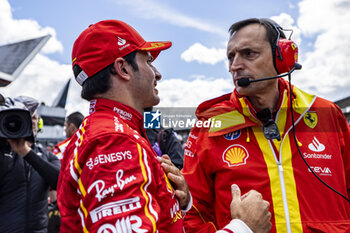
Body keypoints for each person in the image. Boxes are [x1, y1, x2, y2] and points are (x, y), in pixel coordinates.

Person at [57, 19, 271, 233]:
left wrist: (178, 204)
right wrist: (244, 227)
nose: (157, 73)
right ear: (122, 68)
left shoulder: (103, 132)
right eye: (148, 61)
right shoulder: (114, 141)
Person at [182, 18, 350, 233]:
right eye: (231, 57)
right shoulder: (210, 125)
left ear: (283, 58)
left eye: (249, 53)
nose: (235, 65)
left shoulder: (326, 114)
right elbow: (191, 212)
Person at [0, 95, 61, 233]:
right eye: (27, 118)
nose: (31, 122)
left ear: (39, 123)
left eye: (34, 118)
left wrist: (25, 152)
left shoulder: (48, 156)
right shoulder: (2, 153)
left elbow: (61, 182)